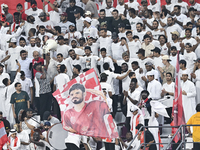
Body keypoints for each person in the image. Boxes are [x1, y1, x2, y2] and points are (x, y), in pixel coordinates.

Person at [3, 61, 21, 126]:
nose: (10, 80)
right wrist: (19, 67)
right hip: (10, 104)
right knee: (11, 118)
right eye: (9, 79)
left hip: (5, 104)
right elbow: (17, 79)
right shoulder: (10, 87)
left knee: (8, 117)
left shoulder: (4, 89)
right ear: (8, 82)